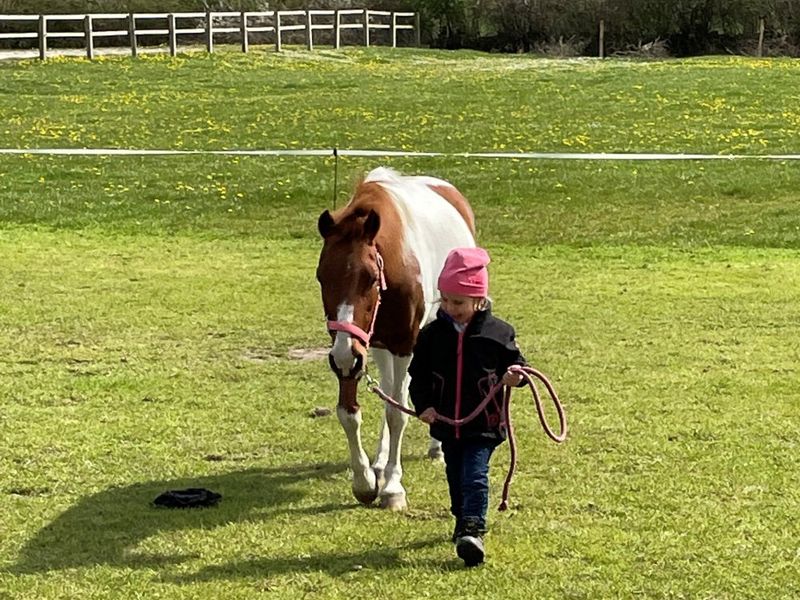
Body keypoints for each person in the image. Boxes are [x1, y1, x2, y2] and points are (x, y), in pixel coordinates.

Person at [408, 246, 527, 567]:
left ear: (479, 300)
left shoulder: (499, 333)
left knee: (475, 474)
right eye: (444, 300)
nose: (449, 307)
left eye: (458, 302)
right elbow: (417, 375)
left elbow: (519, 365)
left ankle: (473, 528)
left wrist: (516, 376)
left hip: (484, 423)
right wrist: (424, 405)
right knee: (455, 475)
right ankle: (462, 520)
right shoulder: (431, 335)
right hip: (447, 422)